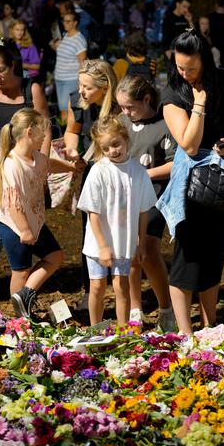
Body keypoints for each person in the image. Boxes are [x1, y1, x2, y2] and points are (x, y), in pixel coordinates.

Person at [158, 30, 224, 334]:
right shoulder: (174, 94)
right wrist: (198, 105)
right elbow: (188, 144)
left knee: (214, 258)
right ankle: (185, 334)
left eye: (191, 68)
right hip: (191, 190)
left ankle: (210, 326)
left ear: (206, 63)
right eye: (179, 66)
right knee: (187, 260)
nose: (184, 74)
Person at [0, 108, 85, 317]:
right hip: (15, 226)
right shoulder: (12, 165)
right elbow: (13, 203)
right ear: (30, 132)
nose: (45, 136)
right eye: (43, 132)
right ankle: (20, 316)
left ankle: (24, 294)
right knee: (21, 270)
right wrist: (24, 230)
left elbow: (49, 164)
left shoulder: (35, 157)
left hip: (35, 223)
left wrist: (71, 167)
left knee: (55, 256)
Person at [0, 44, 53, 290]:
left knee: (27, 217)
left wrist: (43, 166)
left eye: (1, 70)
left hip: (28, 167)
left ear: (12, 66)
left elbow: (46, 126)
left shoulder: (32, 89)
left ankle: (22, 275)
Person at [77, 117, 157, 328]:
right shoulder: (98, 171)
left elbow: (142, 211)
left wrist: (140, 243)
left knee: (122, 286)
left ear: (125, 139)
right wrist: (103, 246)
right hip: (98, 244)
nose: (112, 150)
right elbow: (92, 212)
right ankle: (95, 329)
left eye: (116, 144)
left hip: (125, 242)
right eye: (106, 148)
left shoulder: (138, 172)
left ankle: (124, 332)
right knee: (97, 287)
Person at [116, 74, 176, 329]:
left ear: (147, 99)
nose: (125, 112)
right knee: (129, 252)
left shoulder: (165, 124)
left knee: (149, 250)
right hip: (124, 196)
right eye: (122, 107)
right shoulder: (121, 122)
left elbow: (176, 164)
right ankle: (135, 308)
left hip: (153, 196)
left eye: (130, 106)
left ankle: (166, 308)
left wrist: (145, 174)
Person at [65, 59, 120, 160]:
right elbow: (72, 131)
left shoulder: (122, 106)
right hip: (90, 163)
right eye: (80, 84)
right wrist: (71, 148)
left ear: (105, 88)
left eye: (87, 88)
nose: (81, 91)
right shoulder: (77, 100)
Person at [51, 11, 88, 116]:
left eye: (68, 21)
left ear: (75, 23)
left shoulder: (79, 40)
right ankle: (65, 129)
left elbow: (83, 63)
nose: (65, 23)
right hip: (59, 78)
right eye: (64, 21)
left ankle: (68, 131)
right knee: (62, 108)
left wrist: (82, 82)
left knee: (66, 108)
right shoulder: (65, 35)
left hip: (71, 79)